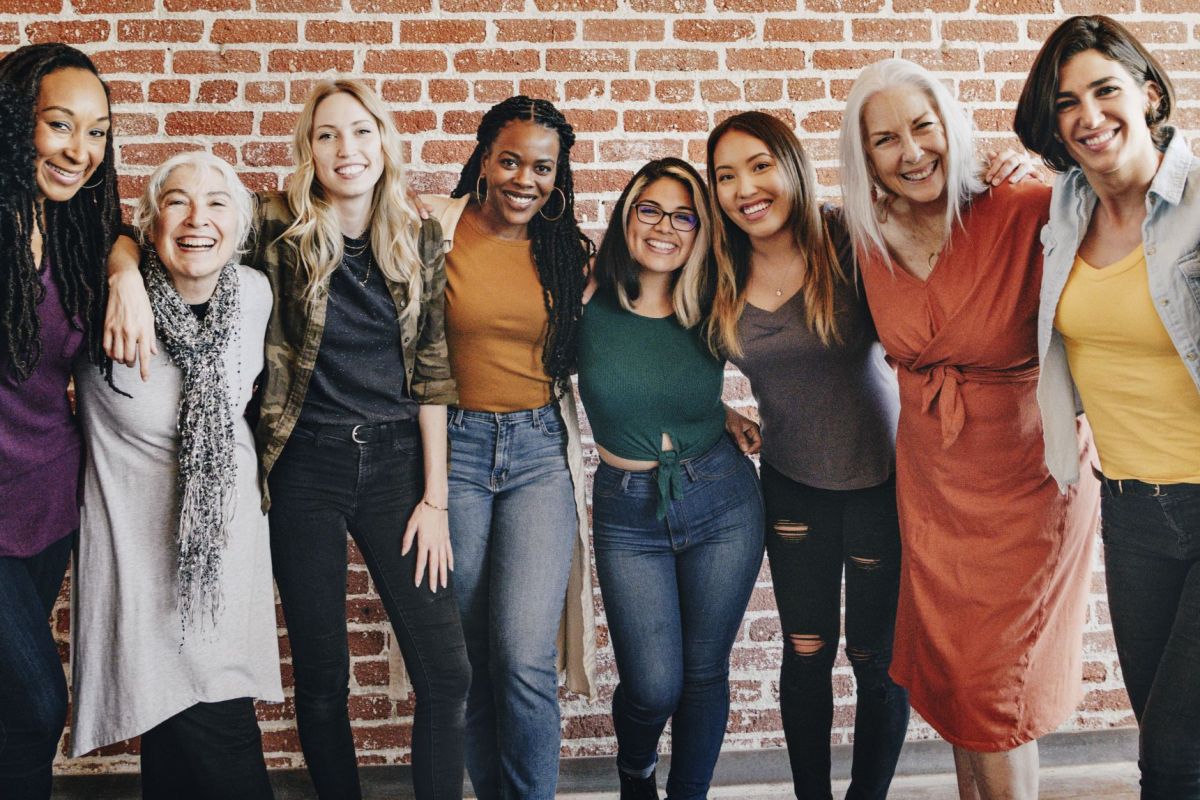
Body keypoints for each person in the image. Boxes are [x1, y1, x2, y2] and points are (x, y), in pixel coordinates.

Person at [105, 79, 469, 800]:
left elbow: (433, 368)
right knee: (323, 674)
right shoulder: (274, 223)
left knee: (448, 672)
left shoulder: (418, 231)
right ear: (308, 148)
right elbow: (148, 227)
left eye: (360, 131)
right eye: (327, 134)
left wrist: (437, 499)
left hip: (398, 465)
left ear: (383, 141)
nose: (346, 148)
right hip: (306, 467)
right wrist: (123, 275)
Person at [838, 58, 1100, 800]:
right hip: (933, 489)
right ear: (865, 158)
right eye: (886, 139)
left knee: (996, 694)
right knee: (957, 688)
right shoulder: (865, 236)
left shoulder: (1025, 205)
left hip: (1027, 481)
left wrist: (1048, 161)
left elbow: (1119, 211)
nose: (911, 151)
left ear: (950, 126)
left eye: (923, 126)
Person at [1014, 16, 1200, 799]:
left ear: (1148, 92)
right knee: (1161, 721)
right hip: (1129, 508)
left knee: (1172, 752)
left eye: (1104, 89)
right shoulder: (1061, 213)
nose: (1088, 115)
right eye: (1067, 102)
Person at [706, 111, 908, 800]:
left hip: (883, 481)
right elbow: (661, 362)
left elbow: (942, 239)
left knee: (875, 660)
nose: (745, 188)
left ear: (790, 166)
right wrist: (720, 411)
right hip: (792, 486)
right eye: (726, 175)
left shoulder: (850, 240)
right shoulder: (717, 271)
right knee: (807, 651)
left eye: (759, 165)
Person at [70, 151, 281, 800]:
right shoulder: (102, 303)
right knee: (192, 723)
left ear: (240, 227)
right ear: (149, 221)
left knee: (195, 718)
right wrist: (123, 271)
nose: (198, 218)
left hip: (227, 552)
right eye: (178, 202)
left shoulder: (253, 296)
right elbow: (86, 226)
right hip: (138, 553)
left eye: (218, 202)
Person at [418, 95, 596, 800]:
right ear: (484, 159)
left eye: (543, 167)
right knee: (466, 659)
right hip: (453, 452)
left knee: (523, 654)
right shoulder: (433, 228)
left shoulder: (569, 254)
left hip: (537, 455)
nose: (526, 178)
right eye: (512, 160)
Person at [578, 157, 764, 800]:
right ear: (628, 215)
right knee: (654, 683)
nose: (665, 227)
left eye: (683, 216)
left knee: (704, 672)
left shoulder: (715, 299)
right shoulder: (584, 295)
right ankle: (636, 775)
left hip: (722, 497)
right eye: (650, 209)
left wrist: (728, 413)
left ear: (701, 231)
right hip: (628, 511)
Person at [0, 43, 120, 800]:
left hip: (46, 499)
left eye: (98, 131)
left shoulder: (76, 229)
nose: (81, 151)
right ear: (17, 126)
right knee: (40, 702)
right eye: (59, 126)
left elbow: (128, 226)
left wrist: (125, 270)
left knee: (13, 710)